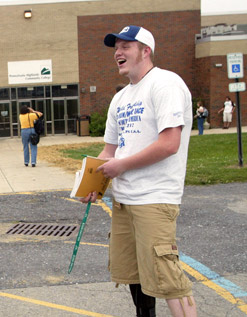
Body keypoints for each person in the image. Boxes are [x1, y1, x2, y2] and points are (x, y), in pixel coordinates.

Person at [81, 26, 197, 316]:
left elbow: (170, 144)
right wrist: (92, 184)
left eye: (126, 47)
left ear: (146, 51)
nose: (118, 52)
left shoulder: (165, 83)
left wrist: (121, 165)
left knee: (167, 279)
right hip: (123, 201)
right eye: (116, 47)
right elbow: (109, 152)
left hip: (154, 198)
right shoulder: (120, 99)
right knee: (133, 275)